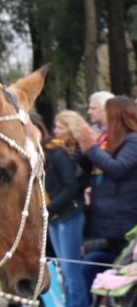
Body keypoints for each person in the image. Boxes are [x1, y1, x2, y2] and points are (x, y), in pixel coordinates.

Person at [77, 96, 137, 298]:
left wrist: (92, 148)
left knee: (123, 274)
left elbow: (118, 168)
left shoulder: (133, 140)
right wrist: (84, 150)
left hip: (125, 221)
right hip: (108, 223)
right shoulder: (110, 140)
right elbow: (92, 168)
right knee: (95, 266)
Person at [43, 111, 89, 307]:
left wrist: (50, 208)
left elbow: (72, 186)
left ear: (71, 129)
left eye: (60, 127)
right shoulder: (56, 151)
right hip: (55, 216)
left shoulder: (64, 154)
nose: (55, 131)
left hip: (69, 213)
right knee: (64, 267)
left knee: (71, 269)